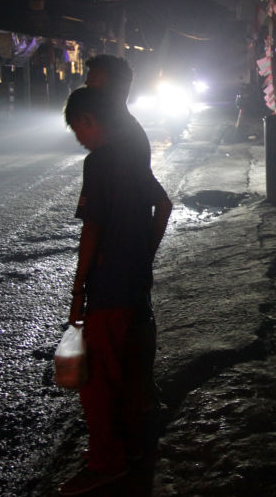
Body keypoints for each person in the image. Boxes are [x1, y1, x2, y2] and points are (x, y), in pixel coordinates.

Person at [60, 87, 173, 496]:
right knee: (126, 374)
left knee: (99, 382)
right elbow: (164, 205)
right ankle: (131, 450)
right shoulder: (131, 157)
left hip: (108, 288)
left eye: (78, 129)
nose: (79, 139)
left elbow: (92, 229)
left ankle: (107, 462)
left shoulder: (100, 162)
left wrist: (77, 290)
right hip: (134, 281)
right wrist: (144, 254)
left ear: (89, 120)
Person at [84, 54, 151, 165]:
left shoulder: (121, 137)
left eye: (93, 81)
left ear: (114, 87)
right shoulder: (117, 127)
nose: (87, 85)